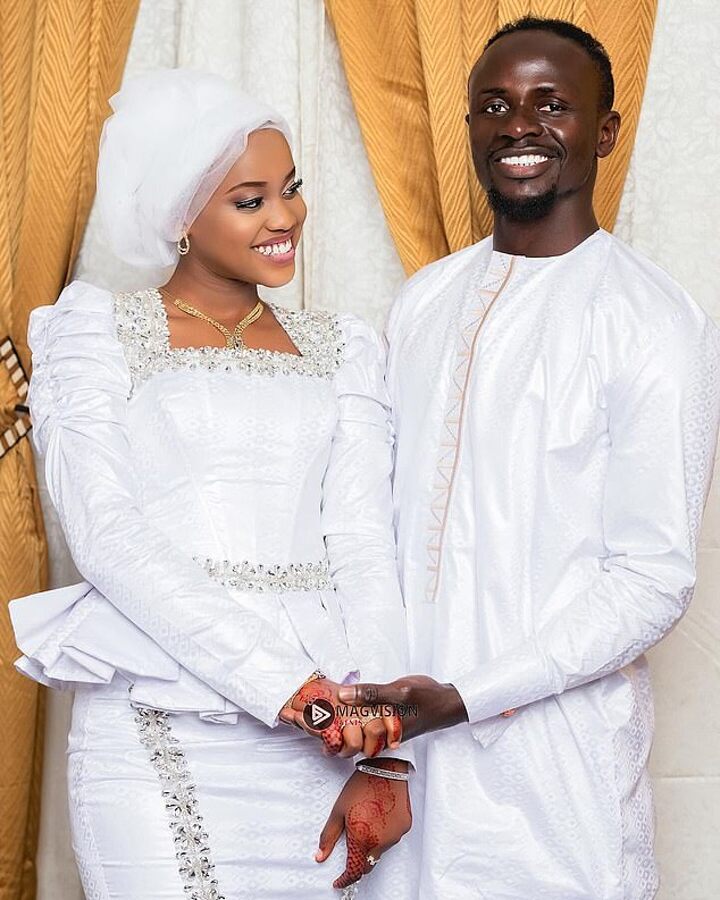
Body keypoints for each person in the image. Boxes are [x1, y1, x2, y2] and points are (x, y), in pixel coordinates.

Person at [331, 17, 720, 899]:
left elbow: (653, 578)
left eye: (552, 104)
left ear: (604, 133)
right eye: (495, 106)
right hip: (404, 760)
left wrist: (465, 695)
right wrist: (383, 737)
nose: (519, 127)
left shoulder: (655, 323)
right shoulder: (423, 303)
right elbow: (376, 530)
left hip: (557, 773)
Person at [10, 69, 414, 899]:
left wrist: (386, 747)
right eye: (249, 200)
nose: (285, 217)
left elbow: (365, 546)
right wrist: (288, 689)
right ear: (180, 217)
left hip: (326, 738)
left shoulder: (346, 346)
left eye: (291, 189)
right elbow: (106, 533)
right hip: (157, 717)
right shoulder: (93, 332)